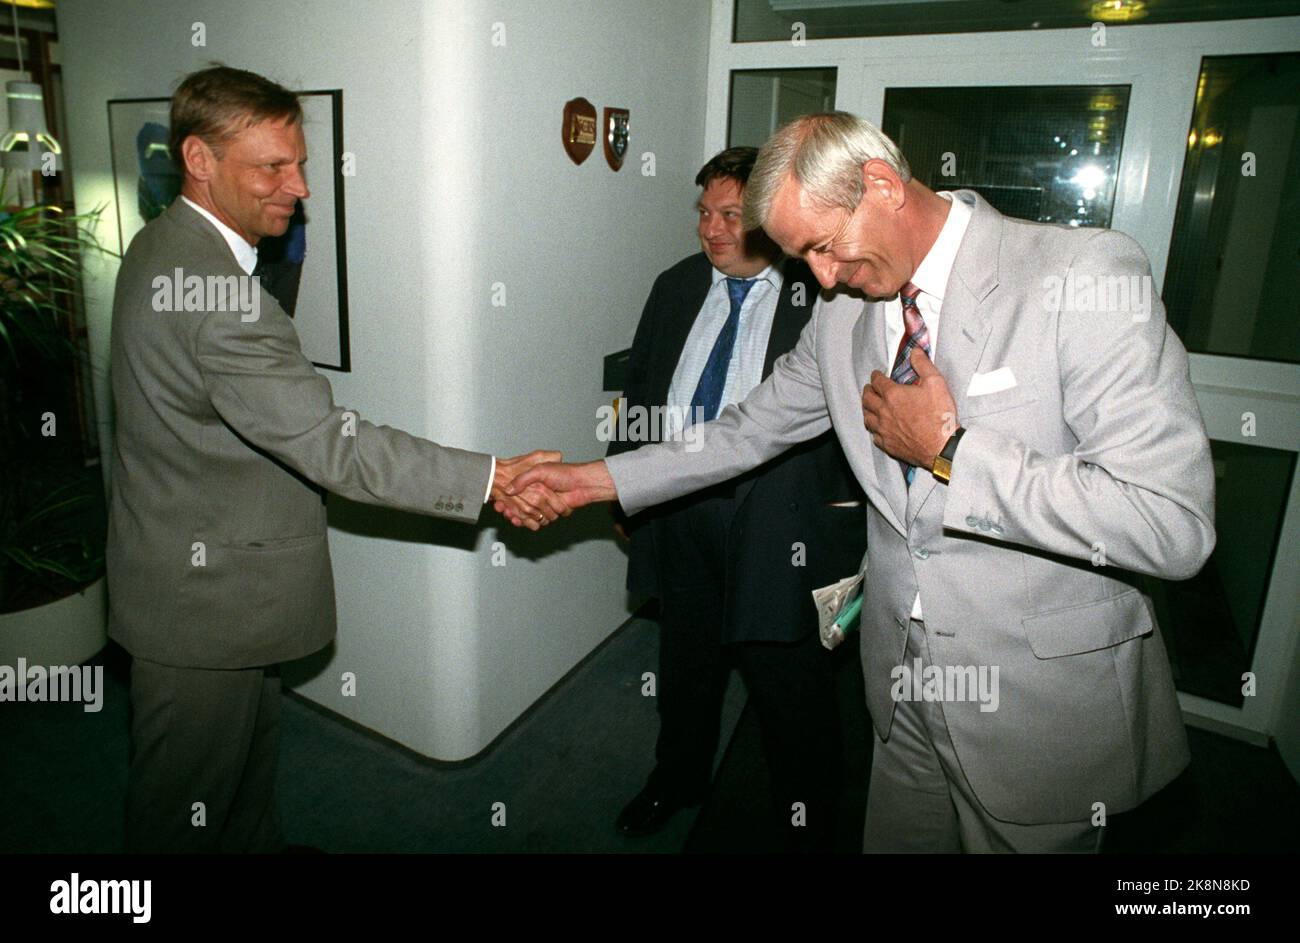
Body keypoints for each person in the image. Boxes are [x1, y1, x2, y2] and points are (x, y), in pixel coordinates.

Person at [509, 112, 1216, 853]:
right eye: (798, 256)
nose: (819, 277)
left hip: (1038, 706)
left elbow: (1171, 523)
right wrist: (590, 482)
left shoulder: (1082, 275)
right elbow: (745, 430)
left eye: (821, 245)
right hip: (900, 685)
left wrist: (953, 452)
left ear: (881, 184)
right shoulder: (844, 314)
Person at [107, 65, 561, 853]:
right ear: (200, 159)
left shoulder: (163, 242)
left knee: (245, 770)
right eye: (273, 168)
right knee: (181, 812)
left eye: (300, 164)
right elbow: (331, 445)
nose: (300, 187)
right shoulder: (215, 294)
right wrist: (492, 479)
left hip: (210, 580)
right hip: (203, 609)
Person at [606, 147, 866, 848]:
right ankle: (677, 778)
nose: (710, 230)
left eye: (728, 216)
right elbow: (642, 392)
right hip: (682, 514)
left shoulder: (826, 299)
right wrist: (622, 486)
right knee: (686, 668)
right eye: (703, 214)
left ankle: (804, 816)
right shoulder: (676, 285)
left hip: (781, 527)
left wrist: (846, 530)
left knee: (792, 689)